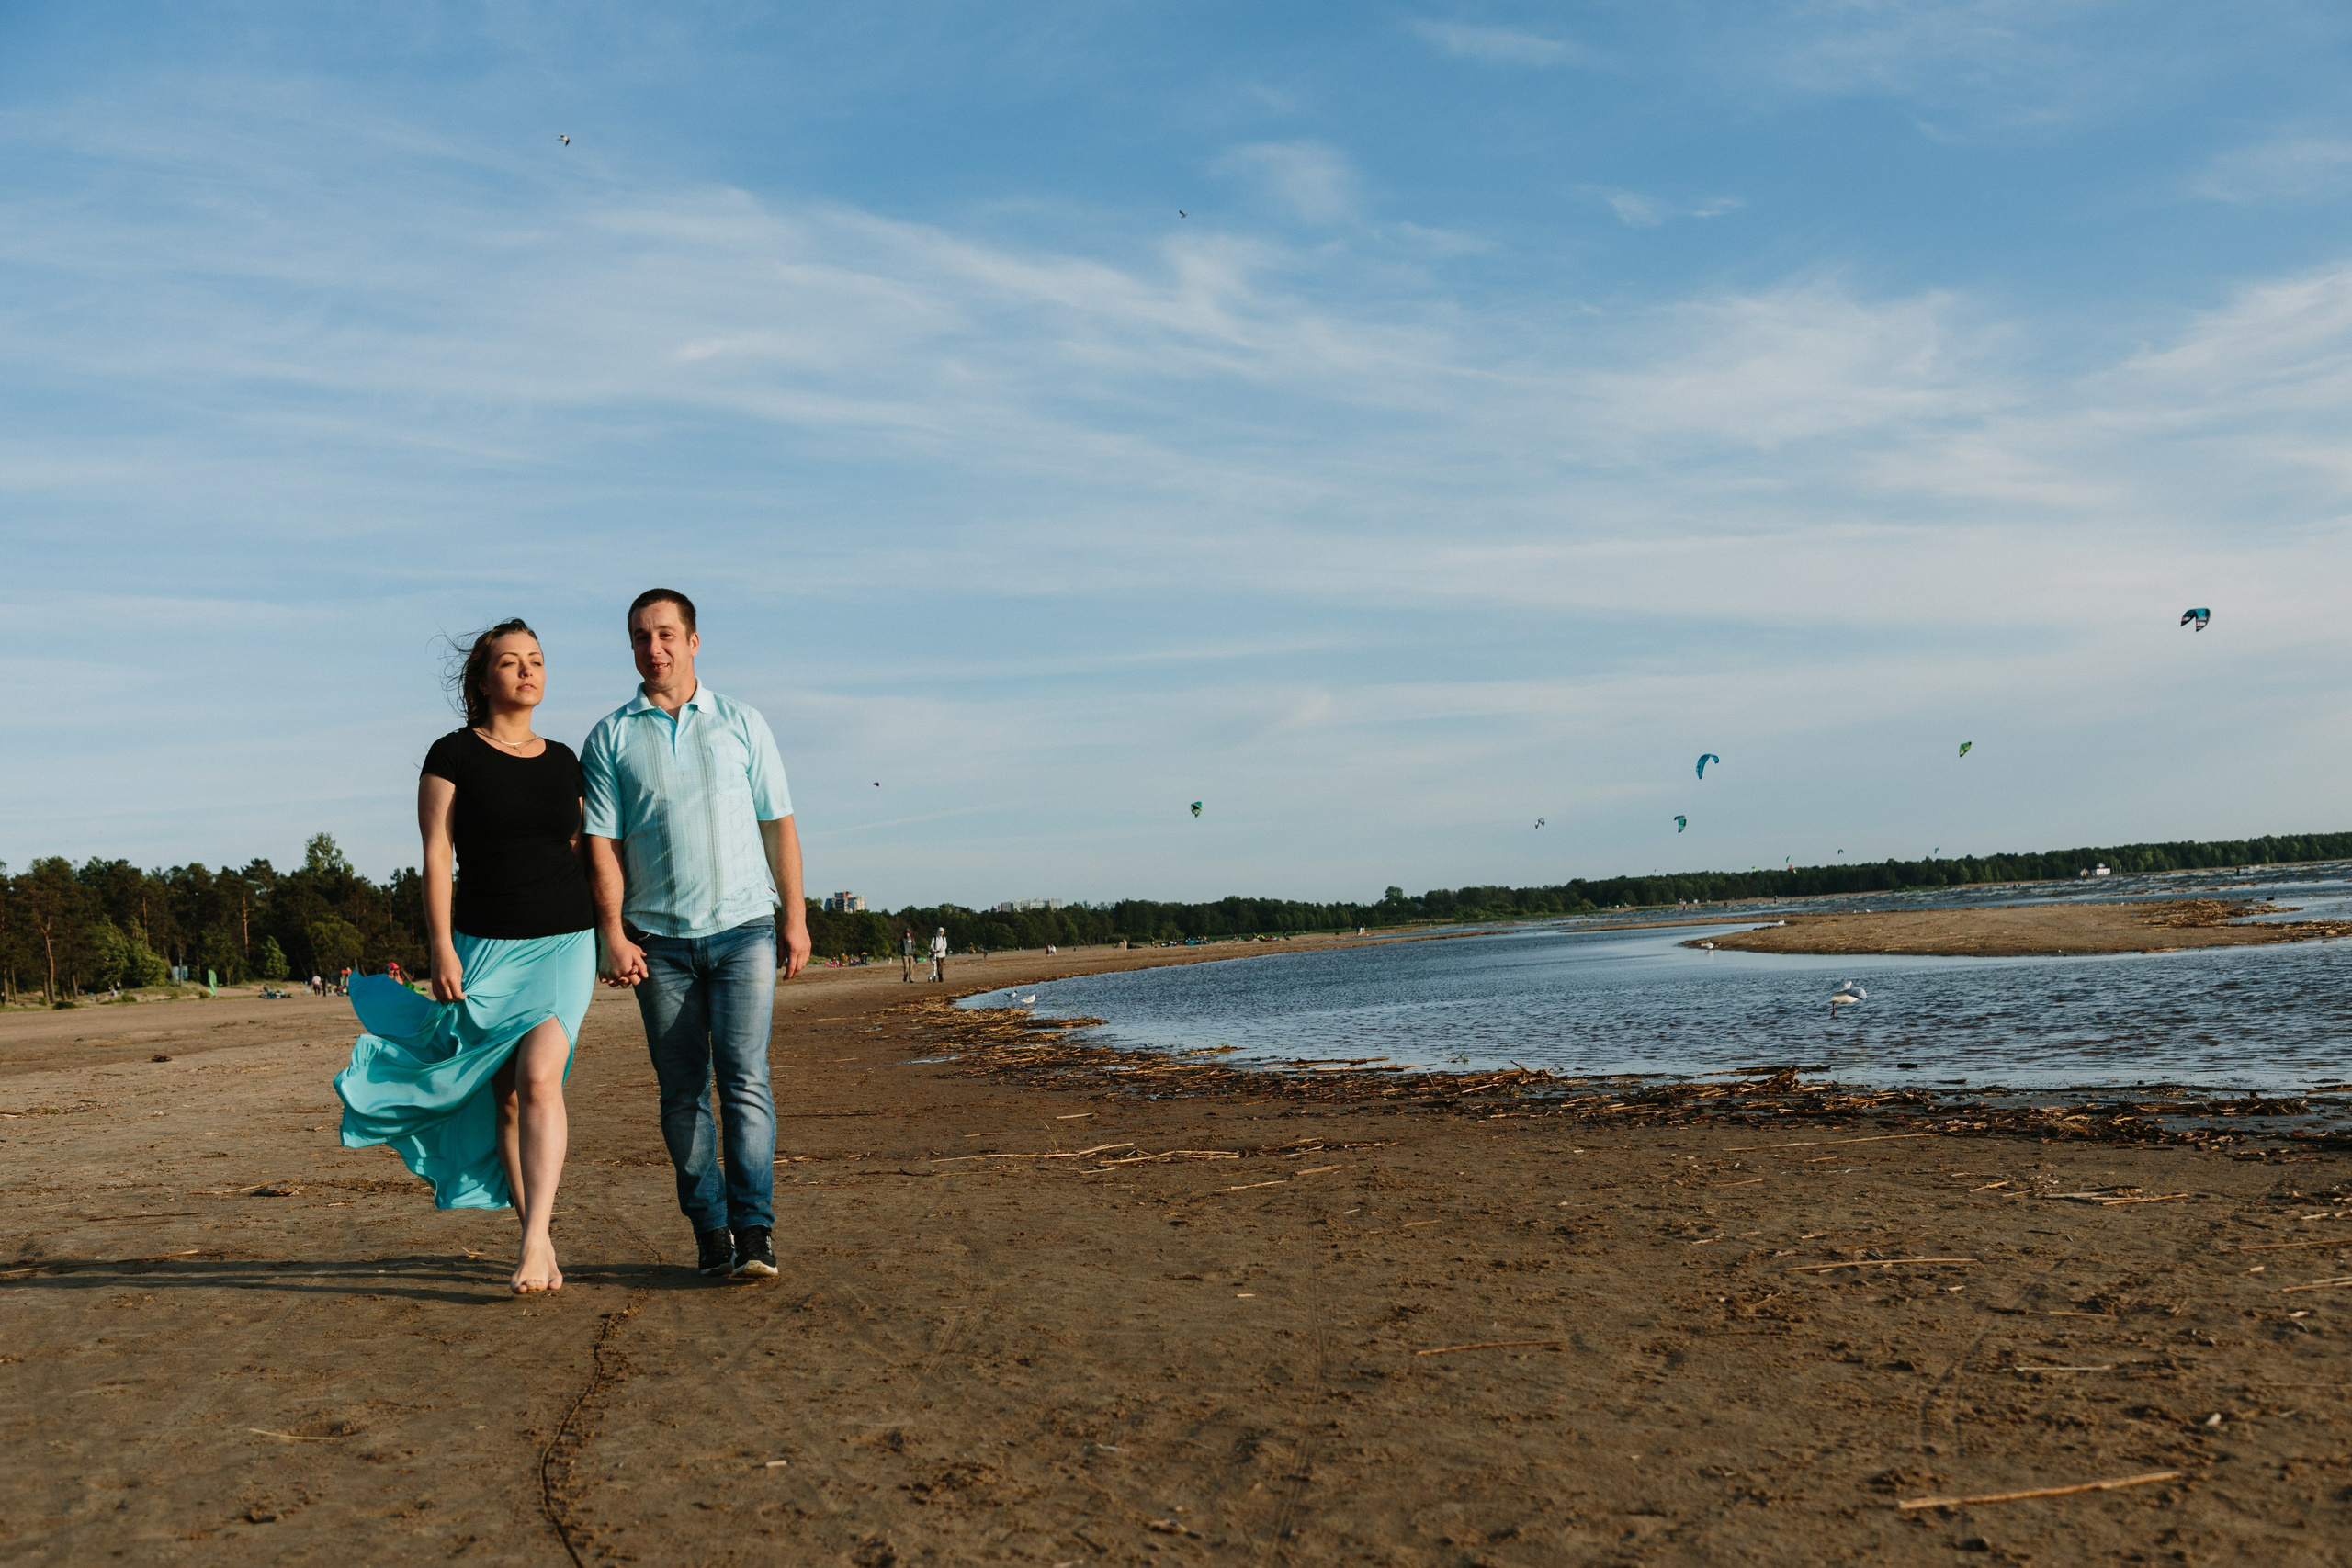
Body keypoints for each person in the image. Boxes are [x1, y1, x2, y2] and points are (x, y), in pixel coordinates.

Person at [334, 618, 597, 1295]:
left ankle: (537, 1237)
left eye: (536, 660)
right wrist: (441, 946)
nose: (526, 672)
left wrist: (616, 930)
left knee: (541, 1077)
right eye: (510, 662)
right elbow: (436, 856)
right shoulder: (452, 754)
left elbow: (584, 853)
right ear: (482, 681)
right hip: (483, 947)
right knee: (504, 1098)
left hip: (564, 941)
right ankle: (532, 1232)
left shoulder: (566, 759)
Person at [584, 589, 810, 1282]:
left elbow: (779, 823)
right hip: (660, 944)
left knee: (746, 1081)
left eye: (665, 635)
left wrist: (795, 916)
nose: (653, 648)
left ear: (693, 641)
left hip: (745, 929)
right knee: (681, 1092)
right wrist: (612, 935)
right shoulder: (611, 735)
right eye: (639, 638)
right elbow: (602, 845)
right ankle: (711, 1231)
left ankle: (755, 1231)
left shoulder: (742, 723)